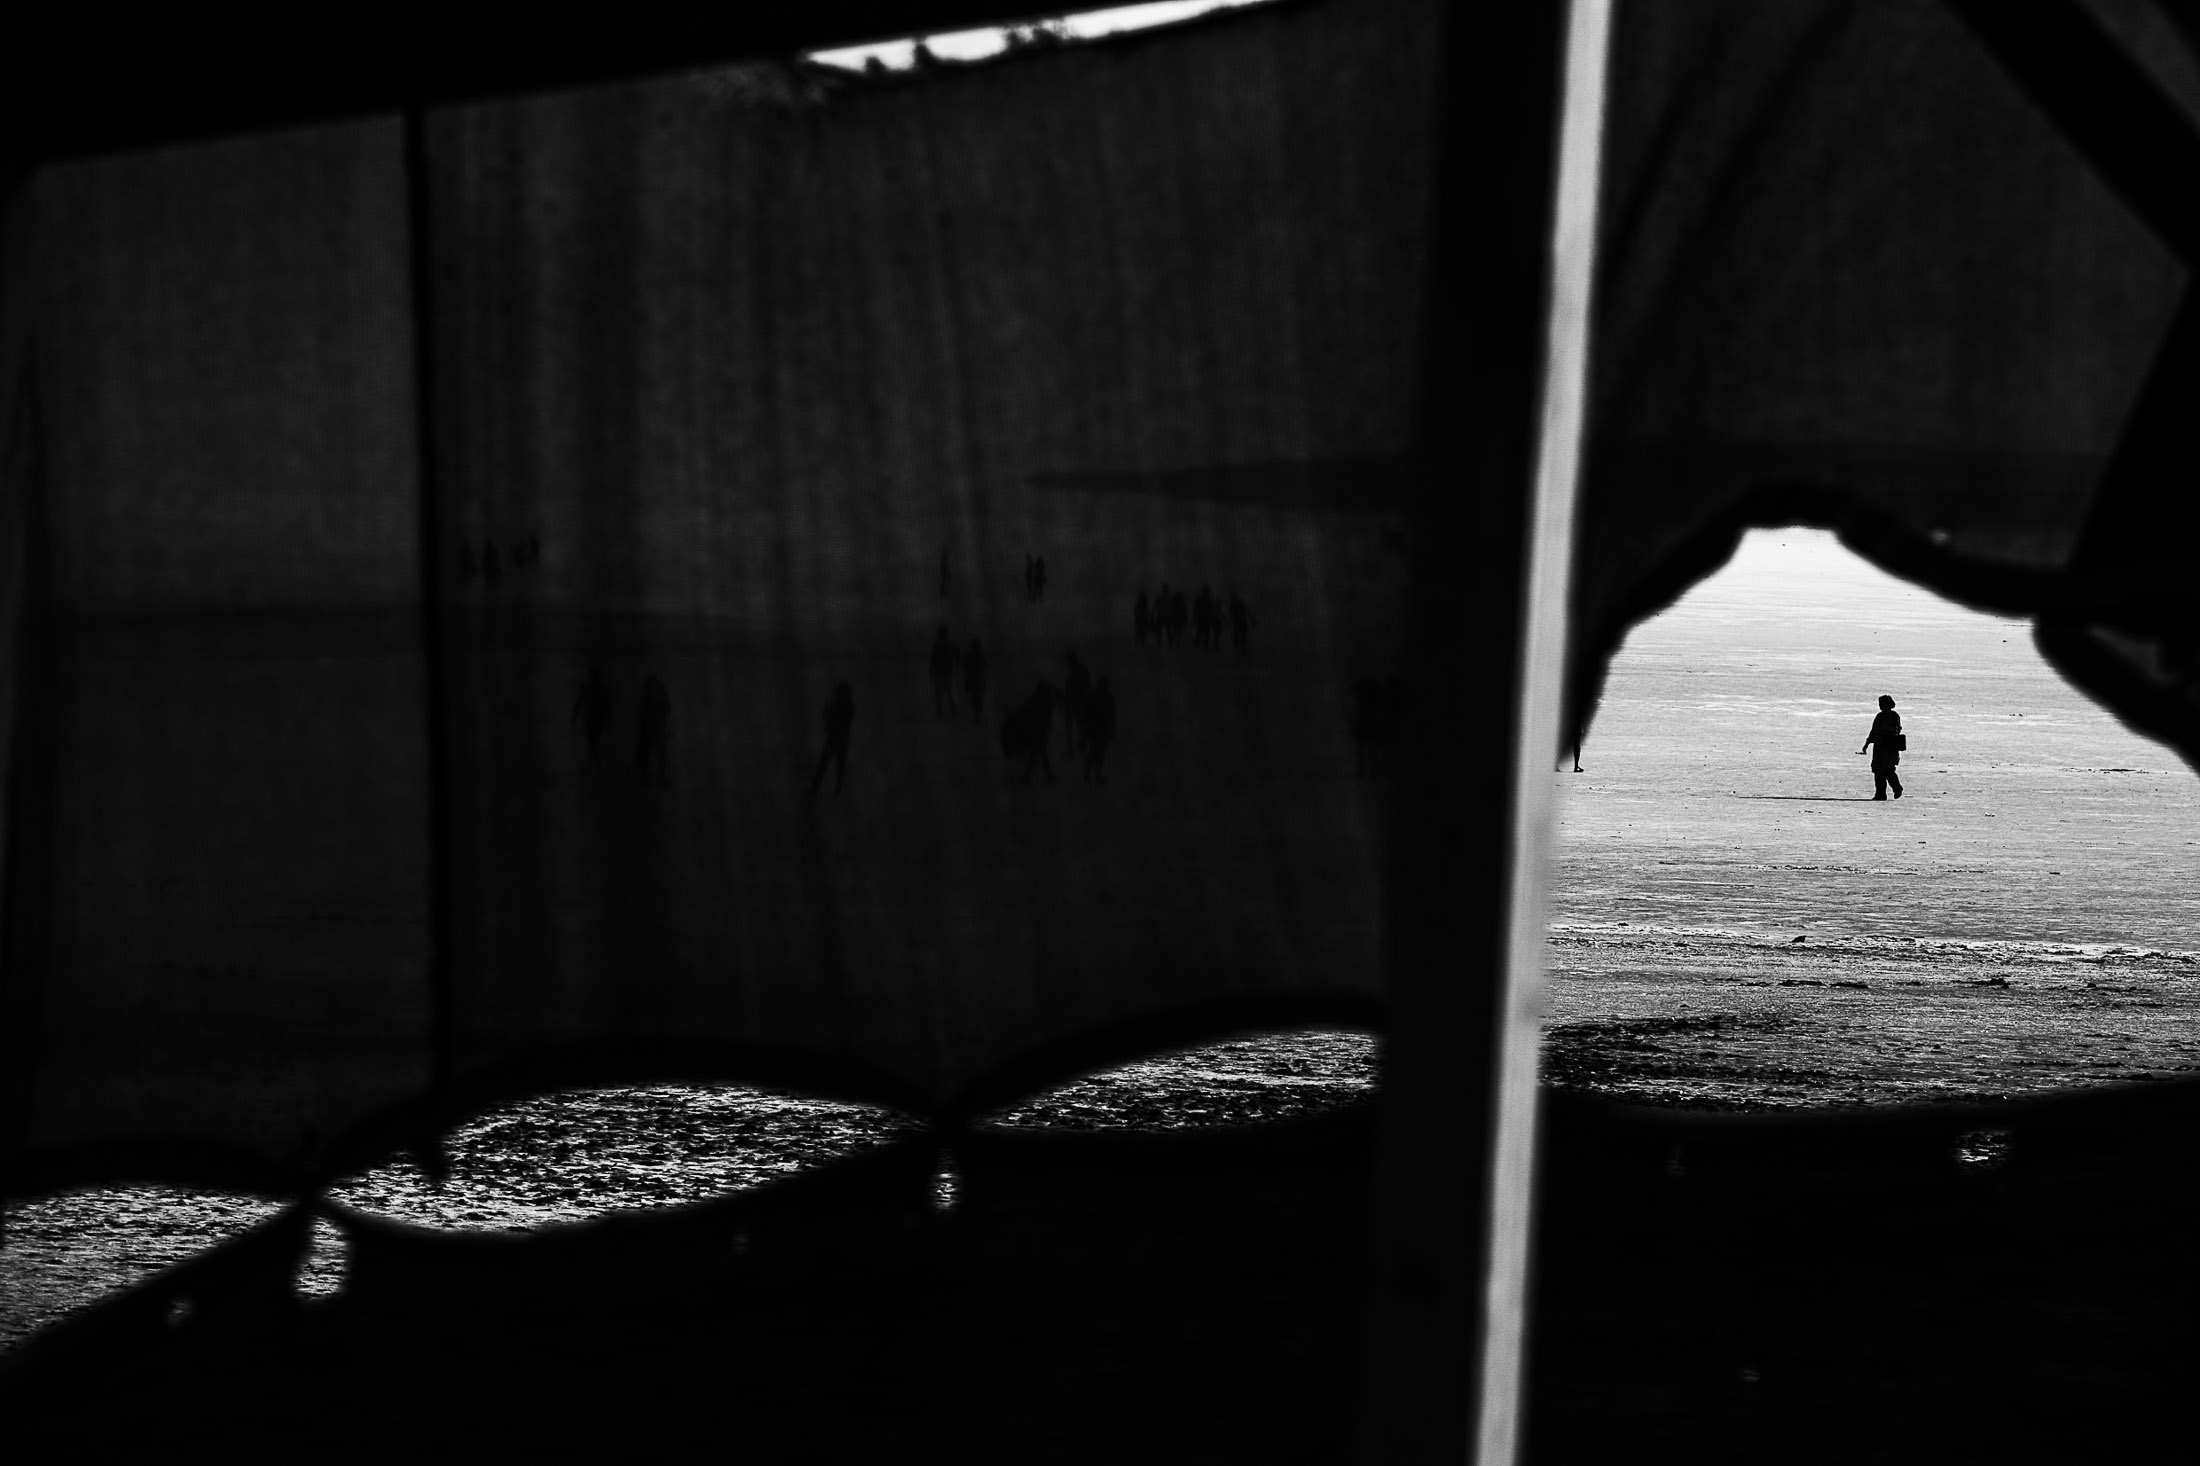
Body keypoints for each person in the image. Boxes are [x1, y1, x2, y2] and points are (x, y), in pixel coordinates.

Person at [807, 683, 855, 798]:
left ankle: (815, 790)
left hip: (834, 738)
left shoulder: (838, 706)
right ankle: (837, 790)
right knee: (839, 765)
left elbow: (831, 722)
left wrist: (827, 712)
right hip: (843, 739)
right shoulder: (850, 706)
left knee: (824, 765)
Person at [1858, 694, 1904, 800]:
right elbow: (1873, 731)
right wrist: (1867, 744)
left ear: (1888, 704)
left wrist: (1887, 731)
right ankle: (1880, 794)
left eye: (1882, 704)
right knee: (1878, 771)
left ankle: (1897, 788)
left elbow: (1897, 729)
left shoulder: (1894, 715)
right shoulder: (1879, 716)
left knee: (1888, 770)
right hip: (1879, 748)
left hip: (1889, 748)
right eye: (1879, 704)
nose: (1880, 706)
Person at [571, 664, 613, 769]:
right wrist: (610, 722)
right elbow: (608, 707)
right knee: (593, 743)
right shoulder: (603, 689)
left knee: (592, 743)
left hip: (590, 719)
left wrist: (574, 716)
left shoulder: (586, 688)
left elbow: (579, 703)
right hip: (598, 719)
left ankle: (591, 767)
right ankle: (594, 767)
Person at [634, 674, 671, 785]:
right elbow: (667, 708)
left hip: (651, 731)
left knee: (650, 754)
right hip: (654, 730)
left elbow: (666, 708)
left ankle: (648, 777)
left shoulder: (648, 699)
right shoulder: (654, 698)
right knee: (656, 754)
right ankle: (655, 777)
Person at [929, 626, 961, 718]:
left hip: (939, 671)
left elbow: (933, 658)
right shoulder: (951, 644)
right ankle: (954, 711)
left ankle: (940, 713)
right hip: (950, 671)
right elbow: (957, 656)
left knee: (939, 694)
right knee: (951, 693)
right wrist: (957, 668)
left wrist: (931, 669)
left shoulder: (937, 645)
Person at [964, 638, 987, 721]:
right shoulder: (981, 656)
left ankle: (977, 715)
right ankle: (978, 715)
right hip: (979, 679)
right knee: (978, 698)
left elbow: (966, 666)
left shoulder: (968, 656)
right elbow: (984, 665)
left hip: (972, 679)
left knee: (974, 698)